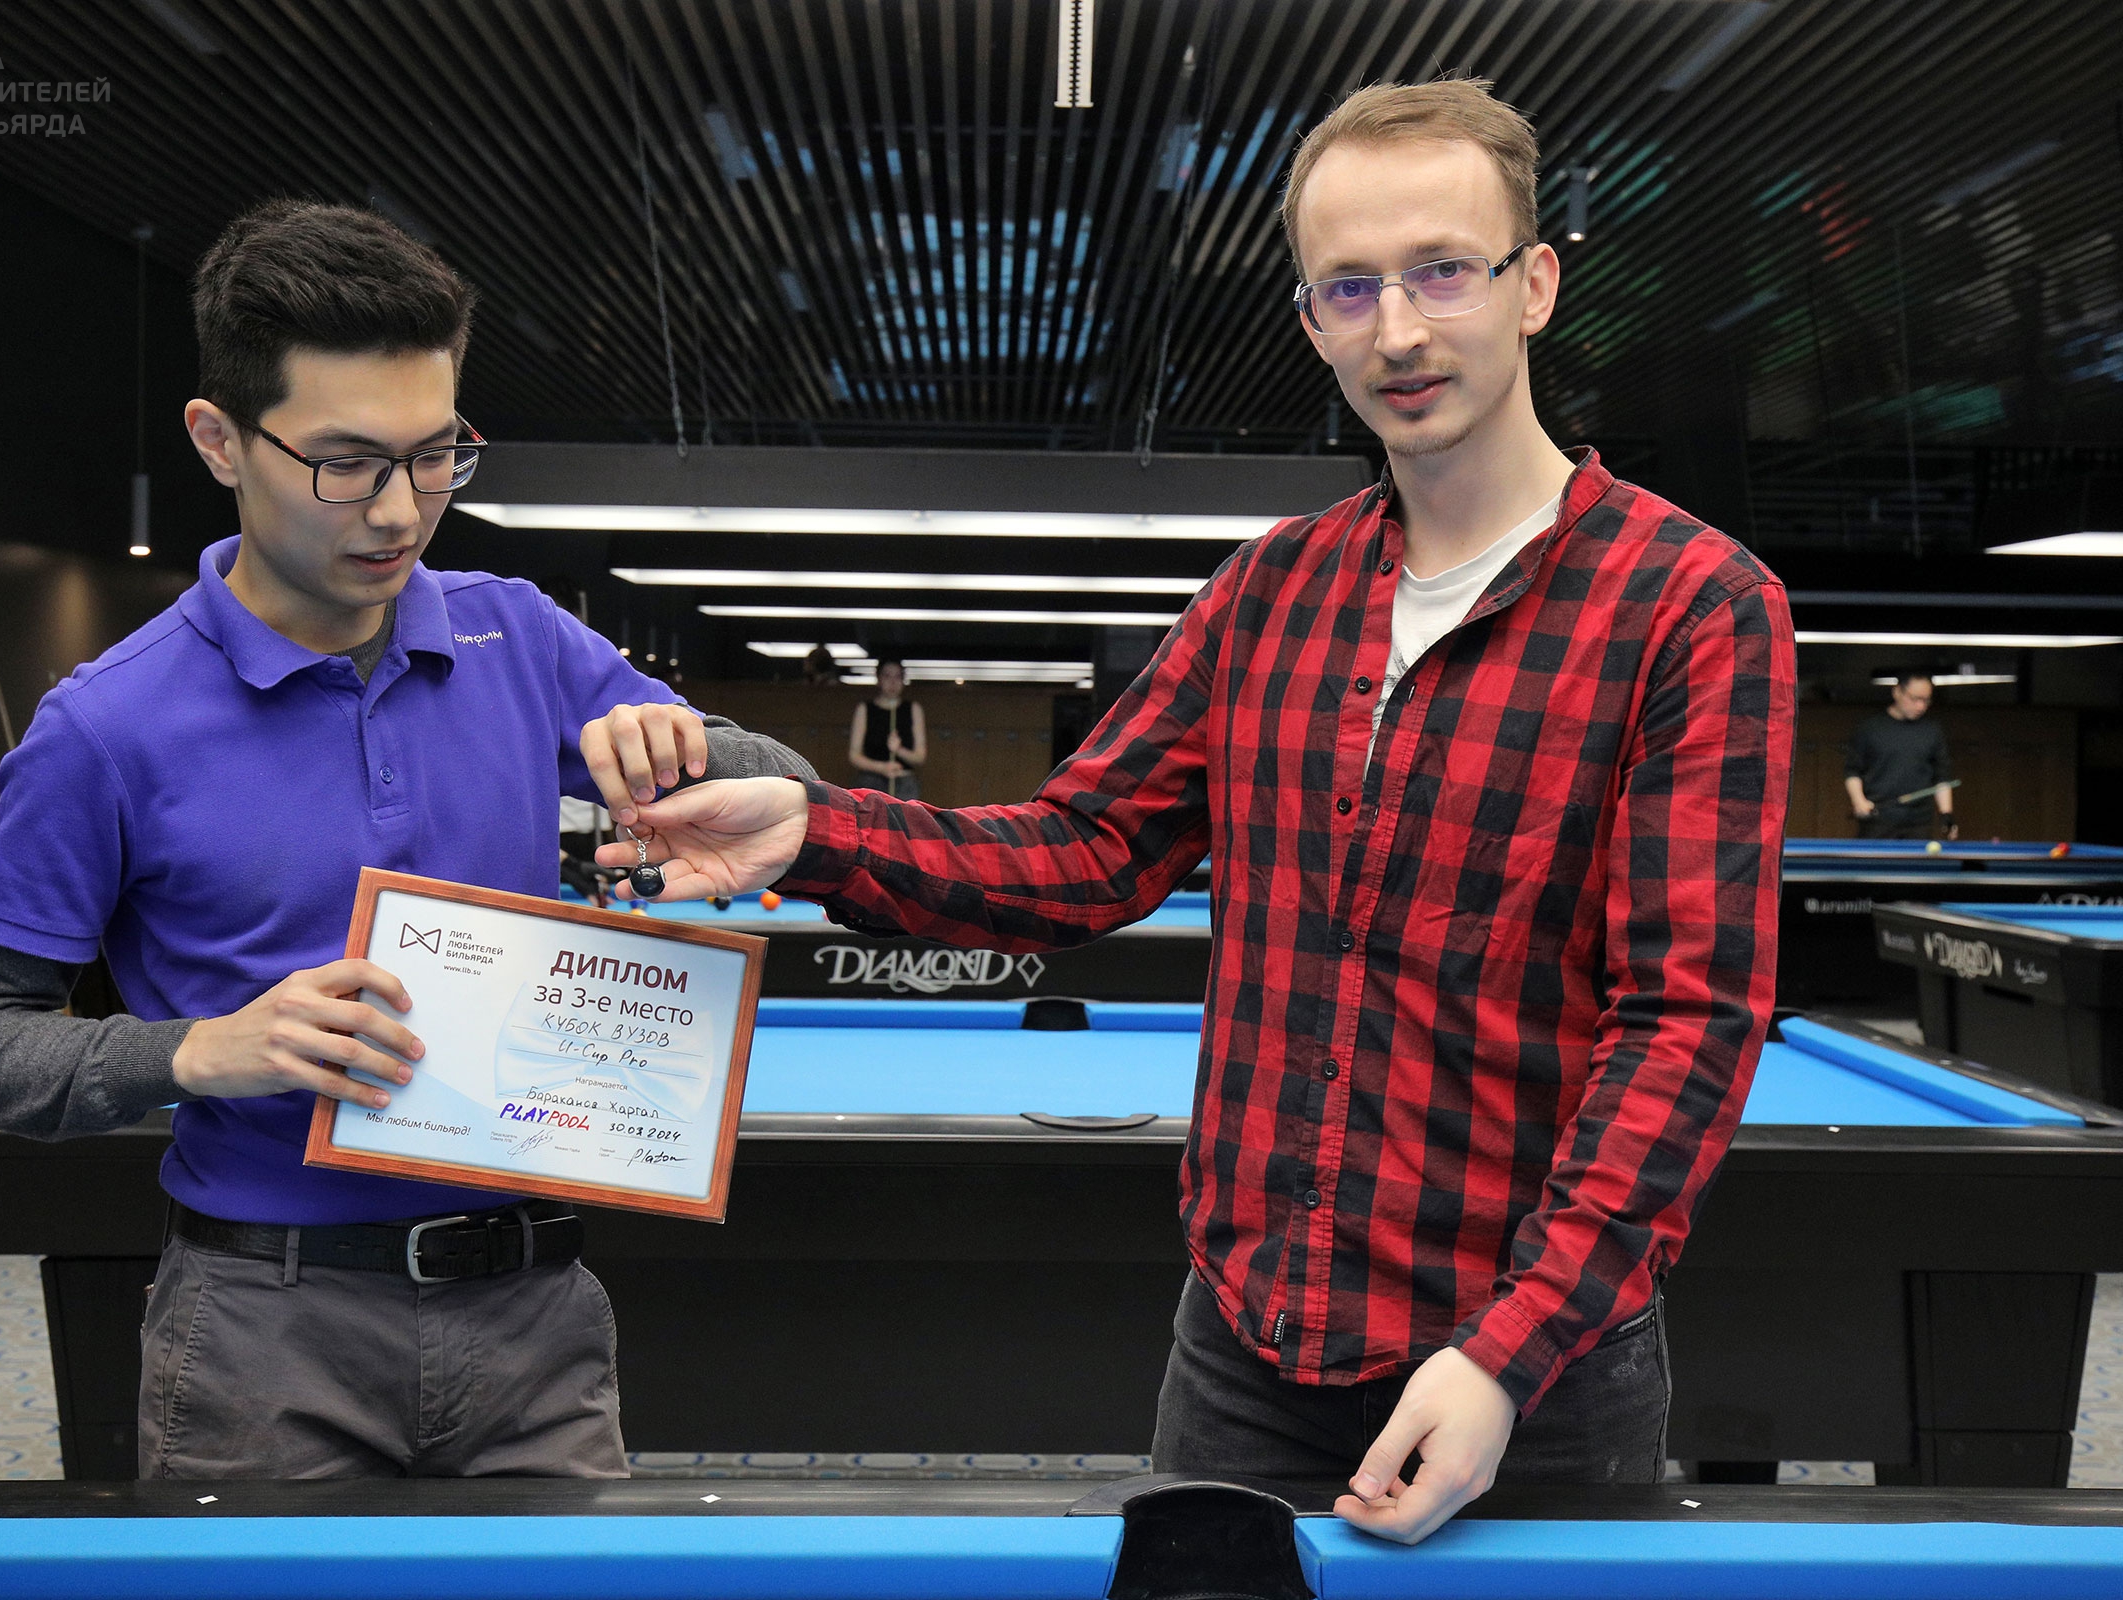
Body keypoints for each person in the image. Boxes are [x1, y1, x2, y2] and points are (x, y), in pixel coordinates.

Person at [594, 80, 1797, 1544]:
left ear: (1533, 283)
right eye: (1349, 287)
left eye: (1443, 271)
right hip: (1243, 1349)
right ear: (1310, 320)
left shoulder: (1694, 606)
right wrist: (815, 827)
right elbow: (1084, 852)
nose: (1398, 331)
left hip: (1533, 1382)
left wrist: (1507, 1352)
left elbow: (1685, 1021)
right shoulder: (1267, 592)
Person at [0, 200, 811, 1478]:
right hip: (261, 1331)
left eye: (434, 455)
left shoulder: (519, 634)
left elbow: (782, 788)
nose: (399, 511)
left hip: (537, 1315)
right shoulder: (105, 726)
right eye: (345, 462)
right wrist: (200, 1050)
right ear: (220, 441)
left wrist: (707, 756)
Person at [1844, 671, 1955, 840]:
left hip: (1919, 823)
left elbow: (1942, 777)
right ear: (1897, 692)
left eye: (1926, 700)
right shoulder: (1870, 729)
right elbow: (1852, 771)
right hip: (1877, 820)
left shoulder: (1932, 732)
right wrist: (1859, 801)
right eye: (1915, 699)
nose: (1920, 706)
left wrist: (1946, 814)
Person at [847, 656, 928, 800]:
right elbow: (854, 755)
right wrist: (881, 767)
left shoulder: (913, 709)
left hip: (904, 782)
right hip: (871, 780)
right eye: (887, 676)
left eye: (897, 677)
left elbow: (920, 757)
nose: (892, 682)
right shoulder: (865, 709)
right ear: (878, 679)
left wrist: (899, 750)